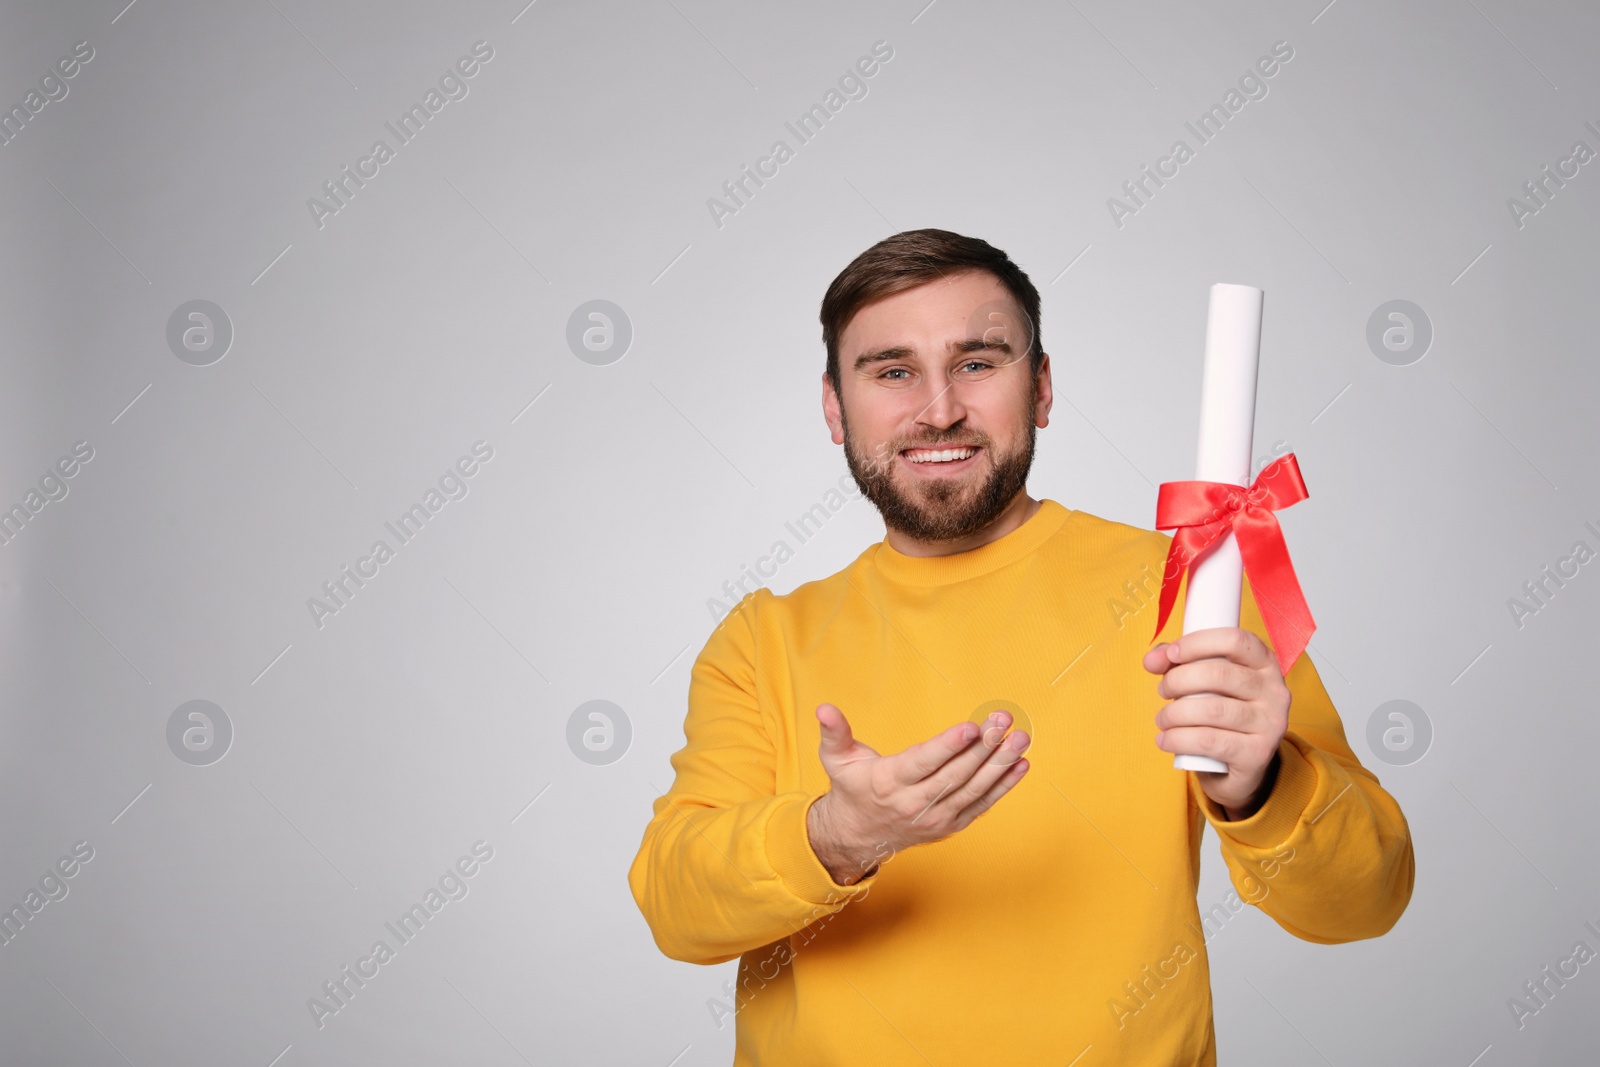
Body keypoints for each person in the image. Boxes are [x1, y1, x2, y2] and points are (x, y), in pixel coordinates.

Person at [627, 228, 1414, 1066]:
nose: (938, 408)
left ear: (1039, 387)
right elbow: (676, 907)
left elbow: (1366, 900)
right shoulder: (763, 639)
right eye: (892, 370)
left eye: (978, 362)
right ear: (834, 406)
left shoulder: (1192, 592)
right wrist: (837, 835)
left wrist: (1263, 788)